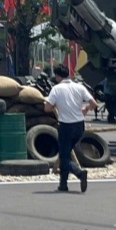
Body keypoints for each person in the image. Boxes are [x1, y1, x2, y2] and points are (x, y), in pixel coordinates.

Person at [44, 65, 96, 194]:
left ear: (57, 76)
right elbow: (94, 104)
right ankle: (63, 184)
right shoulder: (79, 87)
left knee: (64, 156)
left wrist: (53, 103)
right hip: (79, 126)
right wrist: (85, 109)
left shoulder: (56, 89)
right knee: (65, 155)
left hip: (65, 126)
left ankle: (79, 173)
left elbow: (47, 108)